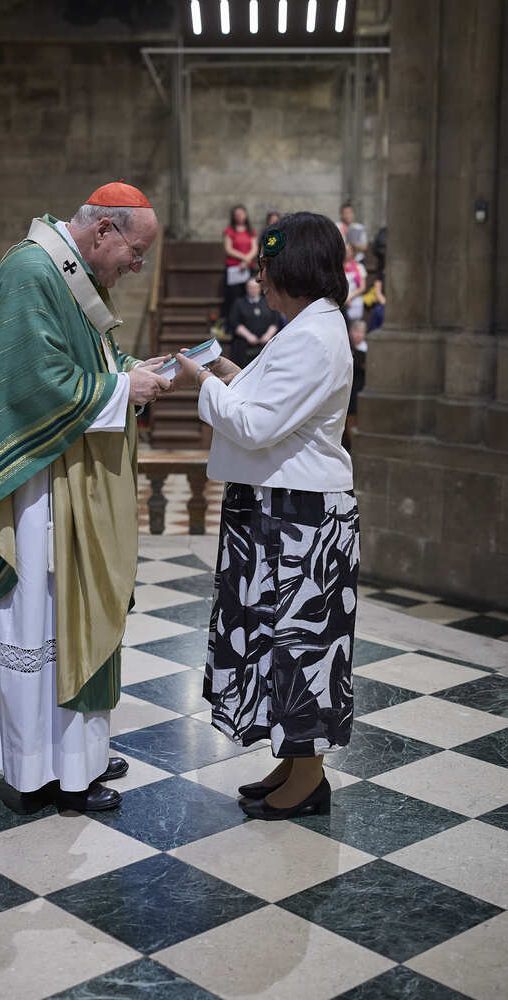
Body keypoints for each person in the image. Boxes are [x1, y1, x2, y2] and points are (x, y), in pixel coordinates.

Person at [0, 181, 171, 813]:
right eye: (136, 252)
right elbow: (36, 384)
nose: (137, 266)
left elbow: (87, 357)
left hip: (68, 480)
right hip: (37, 493)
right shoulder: (30, 273)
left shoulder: (69, 273)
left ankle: (77, 758)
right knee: (40, 620)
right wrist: (121, 390)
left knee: (72, 617)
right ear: (103, 231)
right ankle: (39, 771)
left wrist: (130, 372)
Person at [174, 212, 359, 821]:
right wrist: (231, 374)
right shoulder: (306, 326)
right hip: (278, 510)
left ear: (296, 270)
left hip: (300, 519)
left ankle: (309, 780)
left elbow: (257, 427)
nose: (260, 280)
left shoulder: (314, 335)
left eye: (268, 269)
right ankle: (293, 763)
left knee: (300, 647)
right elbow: (275, 403)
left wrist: (202, 383)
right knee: (273, 640)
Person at [227, 276, 282, 368]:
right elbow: (234, 323)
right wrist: (249, 336)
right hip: (244, 346)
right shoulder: (239, 303)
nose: (253, 290)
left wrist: (268, 335)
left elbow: (276, 321)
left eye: (255, 287)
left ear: (260, 288)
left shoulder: (268, 302)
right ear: (246, 288)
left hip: (266, 344)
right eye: (250, 287)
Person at [223, 205, 258, 323]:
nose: (239, 216)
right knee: (234, 297)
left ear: (246, 215)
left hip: (248, 268)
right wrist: (244, 258)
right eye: (236, 215)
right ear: (233, 217)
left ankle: (248, 321)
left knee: (249, 295)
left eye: (241, 214)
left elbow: (254, 249)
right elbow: (228, 249)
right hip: (234, 268)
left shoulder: (251, 231)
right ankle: (233, 322)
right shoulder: (229, 231)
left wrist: (247, 260)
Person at [343, 318, 368, 451]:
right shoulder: (346, 347)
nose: (357, 335)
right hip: (350, 388)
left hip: (361, 388)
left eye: (360, 332)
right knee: (349, 419)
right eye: (355, 331)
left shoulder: (367, 349)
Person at [343, 242, 366, 326]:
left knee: (354, 326)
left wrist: (350, 297)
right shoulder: (339, 268)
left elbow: (362, 287)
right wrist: (344, 298)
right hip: (342, 302)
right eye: (345, 250)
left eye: (349, 250)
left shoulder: (359, 267)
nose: (347, 252)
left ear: (353, 252)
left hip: (355, 301)